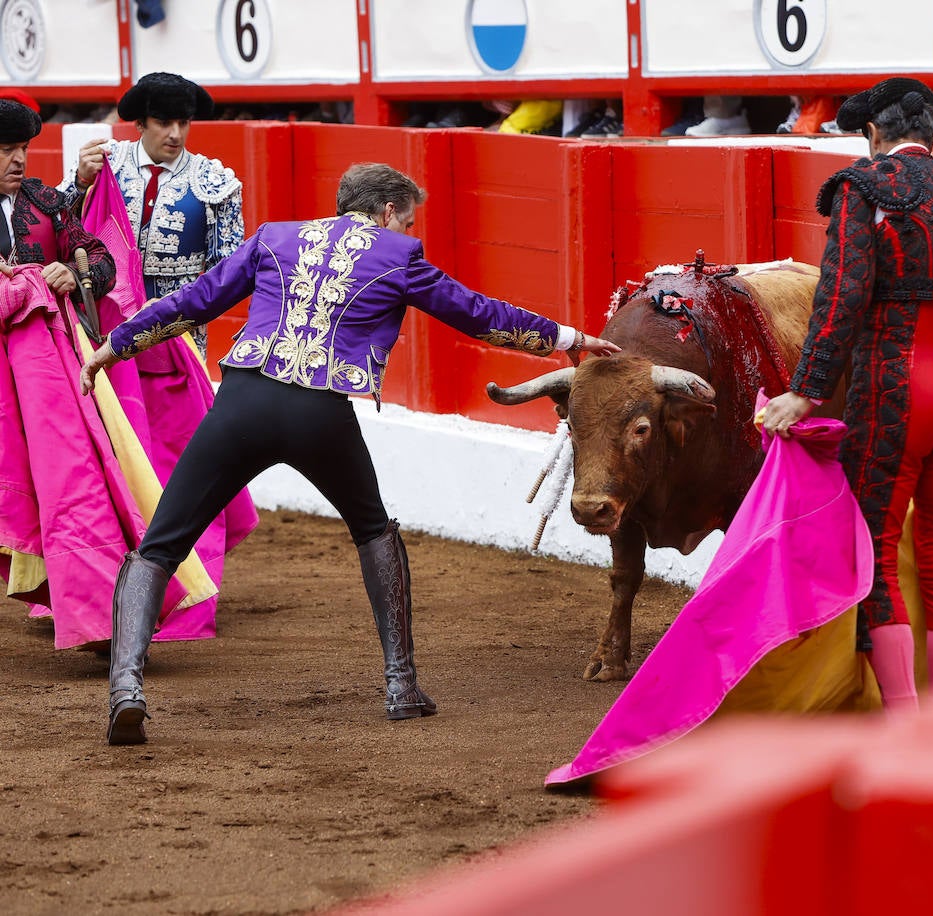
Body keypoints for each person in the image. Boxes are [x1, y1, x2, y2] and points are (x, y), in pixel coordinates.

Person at [80, 162, 621, 745]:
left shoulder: (274, 238)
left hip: (243, 402)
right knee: (371, 529)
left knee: (162, 541)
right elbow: (479, 315)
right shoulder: (398, 254)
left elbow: (197, 300)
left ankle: (127, 688)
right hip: (320, 412)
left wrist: (114, 345)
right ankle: (400, 683)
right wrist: (569, 340)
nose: (408, 230)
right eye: (407, 219)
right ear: (388, 213)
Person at [759, 79, 933, 709]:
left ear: (875, 135)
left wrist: (807, 392)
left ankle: (906, 722)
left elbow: (840, 296)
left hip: (897, 389)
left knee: (872, 548)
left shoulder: (866, 188)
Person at [61, 72, 244, 356]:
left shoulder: (214, 181)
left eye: (183, 123)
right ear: (139, 123)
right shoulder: (102, 165)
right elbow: (55, 227)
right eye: (163, 123)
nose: (176, 134)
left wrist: (174, 307)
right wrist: (80, 183)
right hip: (105, 321)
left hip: (177, 331)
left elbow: (229, 274)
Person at [0, 99, 115, 299]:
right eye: (8, 149)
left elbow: (102, 260)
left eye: (24, 148)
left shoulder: (44, 201)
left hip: (45, 327)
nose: (20, 159)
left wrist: (72, 273)